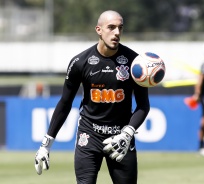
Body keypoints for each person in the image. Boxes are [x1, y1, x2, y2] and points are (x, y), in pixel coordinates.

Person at [34, 10, 150, 184]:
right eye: (111, 27)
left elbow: (143, 105)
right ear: (99, 30)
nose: (117, 33)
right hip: (89, 136)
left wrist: (127, 133)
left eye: (120, 28)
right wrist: (46, 144)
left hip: (121, 138)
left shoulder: (135, 62)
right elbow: (65, 103)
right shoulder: (80, 62)